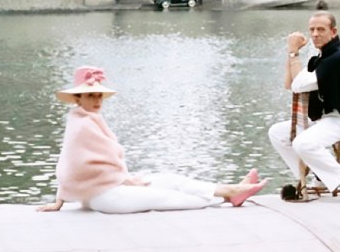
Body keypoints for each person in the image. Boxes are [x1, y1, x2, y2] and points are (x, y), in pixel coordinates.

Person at [38, 66, 266, 213]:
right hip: (104, 196)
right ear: (78, 99)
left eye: (99, 95)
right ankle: (229, 196)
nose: (97, 101)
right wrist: (60, 201)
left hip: (113, 186)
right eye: (91, 96)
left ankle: (232, 190)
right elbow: (70, 167)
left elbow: (73, 164)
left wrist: (60, 199)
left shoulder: (88, 120)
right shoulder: (82, 126)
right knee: (169, 197)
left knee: (171, 180)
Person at [268, 11, 340, 201]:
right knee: (277, 133)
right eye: (311, 29)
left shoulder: (338, 58)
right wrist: (291, 53)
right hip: (322, 120)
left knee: (303, 143)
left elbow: (297, 84)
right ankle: (317, 176)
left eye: (321, 29)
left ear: (333, 32)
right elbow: (290, 85)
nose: (315, 34)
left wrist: (294, 51)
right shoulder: (320, 58)